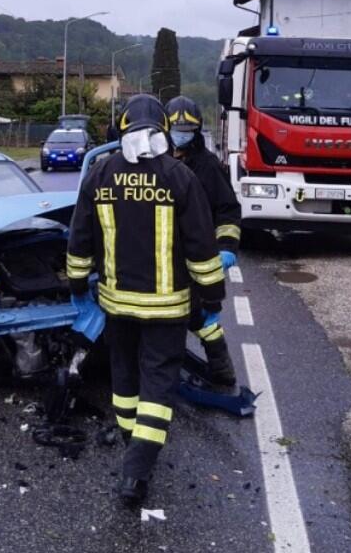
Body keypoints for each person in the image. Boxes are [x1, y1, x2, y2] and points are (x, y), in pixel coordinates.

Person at [66, 94, 225, 508]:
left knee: (124, 378)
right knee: (158, 383)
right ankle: (136, 471)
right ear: (165, 129)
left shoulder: (99, 174)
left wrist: (77, 285)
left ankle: (130, 440)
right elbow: (201, 247)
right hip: (167, 309)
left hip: (116, 306)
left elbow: (79, 239)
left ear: (121, 128)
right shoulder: (179, 176)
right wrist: (212, 295)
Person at [166, 96, 241, 386]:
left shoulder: (208, 166)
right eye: (178, 128)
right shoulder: (157, 161)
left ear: (196, 131)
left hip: (198, 255)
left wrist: (226, 248)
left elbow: (228, 210)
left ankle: (223, 373)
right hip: (164, 254)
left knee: (202, 317)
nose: (182, 134)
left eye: (188, 129)